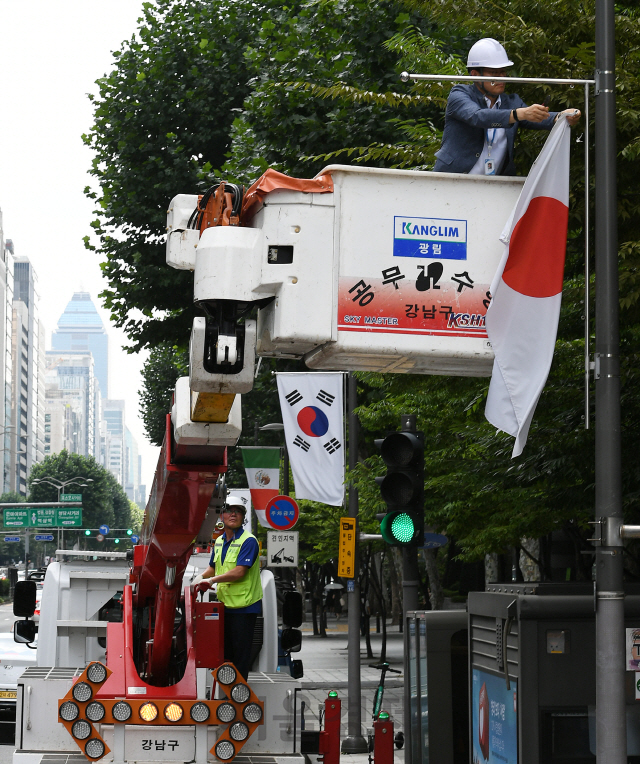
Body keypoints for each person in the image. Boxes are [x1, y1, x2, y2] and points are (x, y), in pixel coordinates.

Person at [434, 38, 581, 176]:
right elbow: (477, 116)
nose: (501, 77)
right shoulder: (459, 94)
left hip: (495, 185)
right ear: (474, 74)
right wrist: (518, 114)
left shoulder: (512, 101)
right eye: (494, 72)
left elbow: (535, 118)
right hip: (453, 180)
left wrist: (561, 117)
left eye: (503, 71)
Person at [192, 496, 262, 680]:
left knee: (240, 659)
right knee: (225, 657)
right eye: (229, 510)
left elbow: (240, 572)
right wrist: (200, 577)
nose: (233, 514)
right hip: (225, 607)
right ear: (221, 515)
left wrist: (212, 580)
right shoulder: (220, 541)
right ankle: (226, 698)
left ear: (243, 517)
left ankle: (238, 700)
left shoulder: (249, 541)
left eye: (238, 511)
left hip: (244, 608)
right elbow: (213, 567)